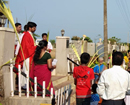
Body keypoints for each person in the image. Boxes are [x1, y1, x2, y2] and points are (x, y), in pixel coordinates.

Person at [15, 22, 37, 89]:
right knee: (26, 71)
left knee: (29, 71)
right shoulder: (26, 35)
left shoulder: (30, 35)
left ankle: (28, 85)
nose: (35, 29)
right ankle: (25, 85)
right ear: (30, 28)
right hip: (27, 56)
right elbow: (27, 47)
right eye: (34, 28)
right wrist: (36, 47)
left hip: (30, 55)